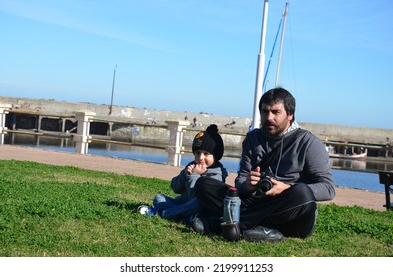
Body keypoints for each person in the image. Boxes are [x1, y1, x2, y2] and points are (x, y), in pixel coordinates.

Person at [193, 87, 336, 242]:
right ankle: (263, 230)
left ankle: (226, 224)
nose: (269, 117)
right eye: (265, 111)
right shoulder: (252, 139)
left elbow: (328, 188)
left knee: (302, 193)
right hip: (256, 200)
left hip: (287, 208)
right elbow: (240, 182)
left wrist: (287, 187)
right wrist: (247, 185)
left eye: (275, 112)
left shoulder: (308, 143)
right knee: (204, 185)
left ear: (290, 115)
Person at [138, 124, 228, 222]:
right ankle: (184, 217)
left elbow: (196, 196)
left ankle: (162, 213)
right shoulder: (192, 165)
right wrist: (185, 175)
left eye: (206, 154)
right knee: (158, 198)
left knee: (198, 203)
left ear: (216, 156)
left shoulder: (217, 174)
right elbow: (175, 187)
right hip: (182, 203)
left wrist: (194, 175)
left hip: (199, 207)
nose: (201, 158)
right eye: (198, 153)